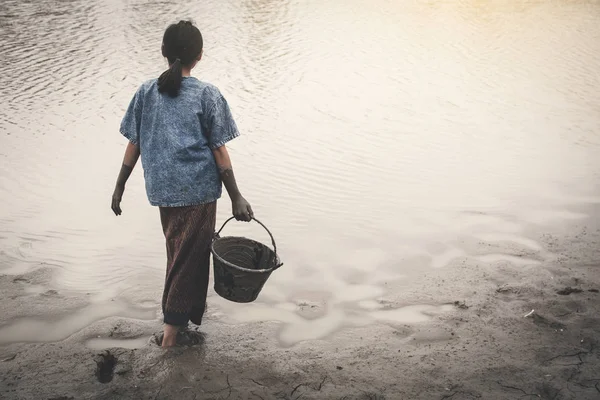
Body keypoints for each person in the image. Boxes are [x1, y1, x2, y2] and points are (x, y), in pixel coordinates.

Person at [110, 20, 253, 348]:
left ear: (164, 52)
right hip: (199, 193)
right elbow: (219, 150)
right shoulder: (207, 94)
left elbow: (134, 143)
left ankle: (180, 324)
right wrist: (237, 197)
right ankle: (171, 335)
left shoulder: (146, 91)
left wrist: (119, 186)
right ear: (200, 56)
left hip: (163, 190)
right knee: (188, 259)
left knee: (179, 252)